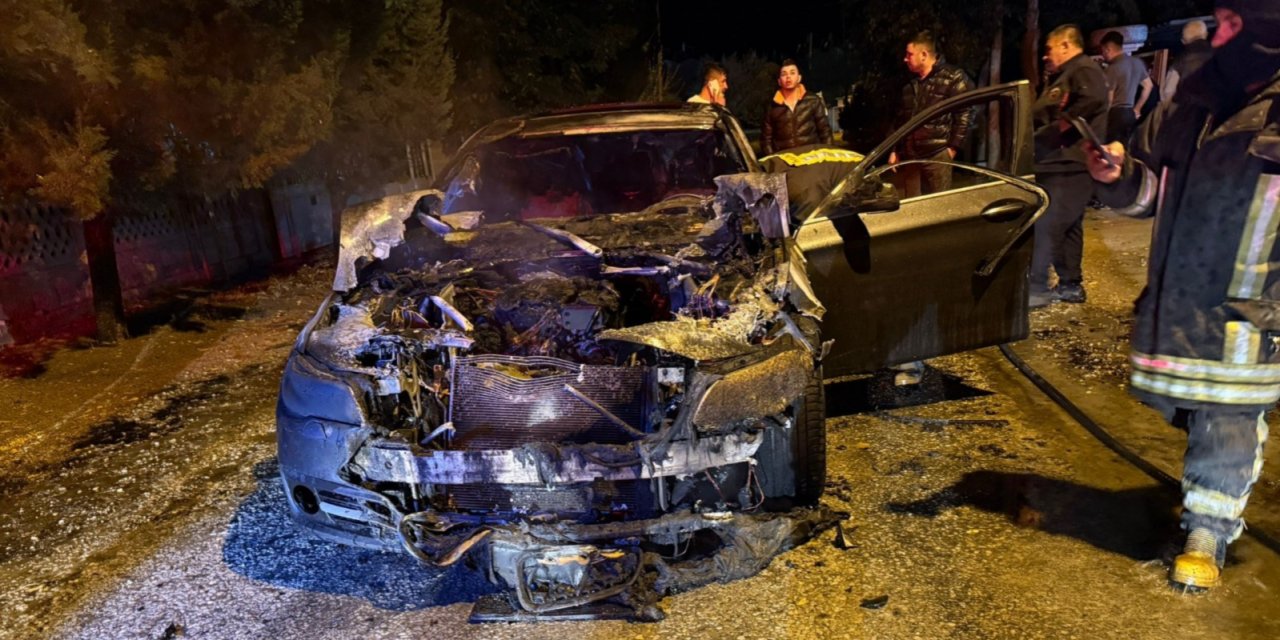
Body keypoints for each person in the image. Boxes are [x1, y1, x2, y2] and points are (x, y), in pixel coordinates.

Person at [1084, 0, 1280, 592]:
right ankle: (1206, 496)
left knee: (1229, 417)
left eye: (1233, 24)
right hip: (1182, 298)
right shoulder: (1190, 102)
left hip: (1252, 304)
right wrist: (1116, 178)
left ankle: (1208, 530)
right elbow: (1148, 190)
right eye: (1219, 22)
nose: (1218, 34)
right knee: (1193, 410)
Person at [1029, 24, 1109, 307]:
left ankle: (1036, 286)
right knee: (1069, 226)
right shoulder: (1065, 75)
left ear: (1066, 45)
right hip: (1058, 163)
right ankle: (1070, 284)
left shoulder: (1082, 69)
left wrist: (1057, 129)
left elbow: (1094, 99)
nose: (1044, 56)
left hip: (1069, 162)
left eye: (1049, 49)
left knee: (1047, 224)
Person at [889, 31, 975, 198]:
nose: (905, 59)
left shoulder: (952, 77)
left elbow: (965, 113)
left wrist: (952, 148)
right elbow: (900, 120)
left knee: (939, 206)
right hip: (911, 158)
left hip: (937, 156)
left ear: (923, 55)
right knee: (913, 207)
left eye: (909, 54)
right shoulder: (909, 85)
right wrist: (895, 150)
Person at [762, 59, 832, 155]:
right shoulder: (772, 106)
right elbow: (766, 140)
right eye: (784, 74)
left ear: (799, 78)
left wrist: (827, 156)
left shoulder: (813, 101)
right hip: (784, 161)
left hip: (812, 158)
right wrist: (773, 162)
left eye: (792, 73)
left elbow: (825, 132)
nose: (788, 77)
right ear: (779, 81)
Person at [1100, 31, 1153, 144]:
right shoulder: (1137, 63)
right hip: (1130, 113)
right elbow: (1148, 85)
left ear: (1108, 49)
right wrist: (1137, 109)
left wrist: (1102, 119)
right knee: (1125, 149)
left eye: (1103, 51)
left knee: (1111, 150)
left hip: (1115, 114)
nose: (1102, 55)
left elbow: (1109, 98)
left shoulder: (1112, 68)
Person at [1160, 20, 1213, 105]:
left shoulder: (1180, 60)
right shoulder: (1221, 55)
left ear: (1183, 41)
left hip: (1190, 111)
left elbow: (1168, 92)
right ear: (1206, 34)